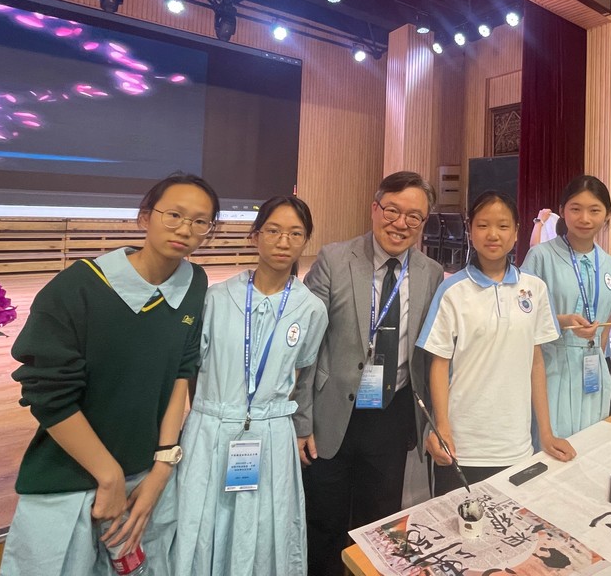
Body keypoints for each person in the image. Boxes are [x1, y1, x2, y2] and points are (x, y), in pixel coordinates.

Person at [1, 172, 219, 576]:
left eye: (200, 221)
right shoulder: (78, 287)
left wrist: (162, 468)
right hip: (68, 480)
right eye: (174, 214)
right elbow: (48, 393)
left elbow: (181, 373)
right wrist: (109, 475)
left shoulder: (194, 284)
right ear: (144, 217)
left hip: (146, 481)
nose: (185, 229)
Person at [296, 171, 444, 576]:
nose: (401, 223)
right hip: (332, 411)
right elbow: (307, 347)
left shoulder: (431, 272)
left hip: (391, 414)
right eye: (392, 211)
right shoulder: (334, 259)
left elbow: (429, 352)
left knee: (378, 520)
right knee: (323, 519)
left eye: (414, 217)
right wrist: (302, 419)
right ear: (374, 209)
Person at [174, 196, 328, 575]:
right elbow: (191, 370)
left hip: (271, 435)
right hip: (210, 431)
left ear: (306, 241)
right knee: (202, 527)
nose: (283, 242)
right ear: (255, 236)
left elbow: (302, 369)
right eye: (273, 231)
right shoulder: (216, 298)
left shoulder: (311, 309)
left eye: (295, 234)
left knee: (263, 534)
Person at [416, 191, 576, 496]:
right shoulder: (452, 291)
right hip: (461, 446)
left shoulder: (534, 289)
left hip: (515, 445)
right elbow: (439, 364)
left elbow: (536, 363)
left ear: (516, 232)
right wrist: (443, 428)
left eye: (503, 226)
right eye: (483, 225)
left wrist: (546, 433)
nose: (493, 234)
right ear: (470, 231)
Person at [522, 175, 611, 438]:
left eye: (594, 210)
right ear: (562, 211)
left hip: (593, 369)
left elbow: (606, 327)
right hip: (550, 366)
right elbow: (521, 316)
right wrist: (562, 321)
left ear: (607, 215)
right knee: (550, 443)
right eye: (575, 209)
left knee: (591, 439)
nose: (584, 218)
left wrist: (595, 351)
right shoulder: (541, 256)